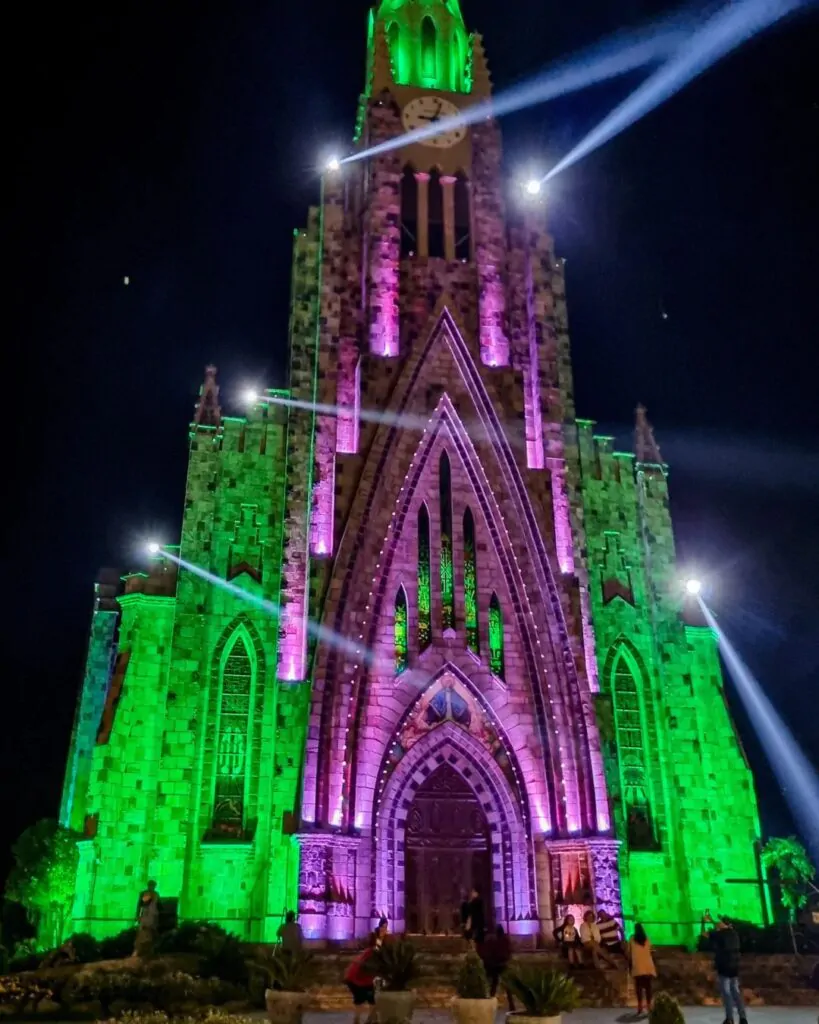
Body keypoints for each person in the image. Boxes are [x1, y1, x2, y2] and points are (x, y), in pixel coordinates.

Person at [703, 912, 747, 1024]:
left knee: (726, 993)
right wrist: (711, 920)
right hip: (734, 967)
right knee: (736, 992)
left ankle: (730, 1018)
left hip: (724, 966)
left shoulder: (720, 934)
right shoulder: (734, 934)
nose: (718, 924)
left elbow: (704, 934)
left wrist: (703, 922)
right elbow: (719, 927)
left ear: (724, 924)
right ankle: (743, 1018)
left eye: (720, 922)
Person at [480, 924, 514, 1009]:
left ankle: (490, 1002)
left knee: (494, 985)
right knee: (504, 985)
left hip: (496, 965)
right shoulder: (504, 941)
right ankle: (511, 1004)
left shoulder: (494, 941)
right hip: (501, 964)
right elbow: (509, 952)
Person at [628, 923, 657, 1017]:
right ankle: (649, 1006)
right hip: (648, 966)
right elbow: (651, 950)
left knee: (639, 988)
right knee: (648, 988)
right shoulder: (647, 939)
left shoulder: (632, 939)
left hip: (638, 966)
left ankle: (640, 1006)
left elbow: (629, 952)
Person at [134, 879, 160, 957]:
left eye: (153, 886)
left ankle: (150, 950)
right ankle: (139, 950)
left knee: (152, 932)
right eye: (151, 885)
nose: (152, 887)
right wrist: (137, 915)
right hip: (145, 914)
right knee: (143, 931)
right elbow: (140, 904)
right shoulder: (144, 893)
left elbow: (158, 905)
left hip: (153, 914)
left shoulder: (156, 894)